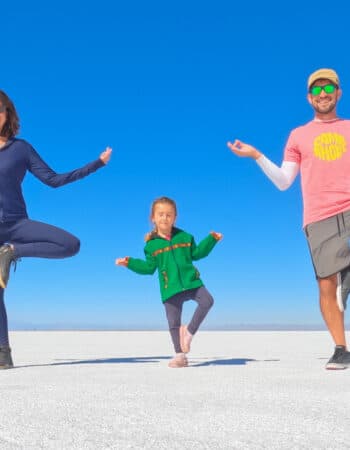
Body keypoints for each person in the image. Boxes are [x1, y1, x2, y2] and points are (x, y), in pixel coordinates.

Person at [227, 68, 350, 370]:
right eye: (317, 90)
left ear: (338, 93)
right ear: (310, 97)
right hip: (318, 218)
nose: (323, 95)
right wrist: (257, 156)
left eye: (328, 89)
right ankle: (341, 349)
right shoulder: (298, 135)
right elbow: (284, 181)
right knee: (327, 286)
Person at [0, 89, 112, 369]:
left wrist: (96, 164)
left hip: (17, 224)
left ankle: (11, 252)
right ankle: (3, 353)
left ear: (7, 115)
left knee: (70, 244)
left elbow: (54, 179)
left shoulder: (21, 148)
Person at [115, 196, 222, 368]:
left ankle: (188, 333)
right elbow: (148, 268)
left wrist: (211, 240)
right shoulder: (151, 246)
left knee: (207, 301)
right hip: (169, 287)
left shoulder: (185, 237)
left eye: (169, 215)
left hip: (190, 282)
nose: (165, 218)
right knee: (173, 323)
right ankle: (180, 355)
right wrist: (129, 263)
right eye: (161, 214)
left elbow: (197, 253)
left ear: (175, 218)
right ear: (153, 218)